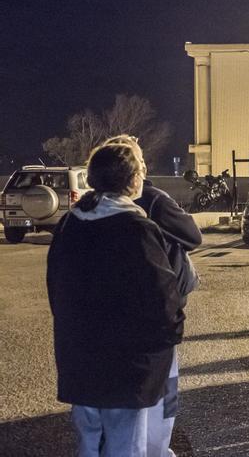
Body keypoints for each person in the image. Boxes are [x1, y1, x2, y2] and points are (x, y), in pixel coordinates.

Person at [47, 144, 183, 457]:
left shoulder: (71, 223)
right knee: (125, 446)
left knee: (89, 442)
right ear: (132, 180)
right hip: (126, 364)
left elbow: (56, 287)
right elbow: (163, 298)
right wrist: (167, 340)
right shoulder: (137, 229)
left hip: (79, 356)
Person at [103, 135, 201, 457]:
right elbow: (192, 235)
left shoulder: (91, 207)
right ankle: (156, 450)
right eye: (140, 160)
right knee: (161, 392)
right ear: (134, 169)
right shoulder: (154, 202)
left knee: (123, 396)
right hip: (155, 317)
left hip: (112, 317)